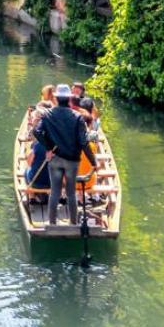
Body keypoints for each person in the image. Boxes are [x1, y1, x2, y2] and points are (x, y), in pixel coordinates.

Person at [33, 85, 97, 226]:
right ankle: (73, 224)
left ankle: (52, 223)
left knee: (55, 192)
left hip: (55, 159)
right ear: (69, 98)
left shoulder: (47, 114)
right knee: (71, 193)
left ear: (56, 98)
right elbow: (83, 143)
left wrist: (49, 147)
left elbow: (36, 132)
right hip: (72, 161)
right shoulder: (77, 117)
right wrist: (93, 162)